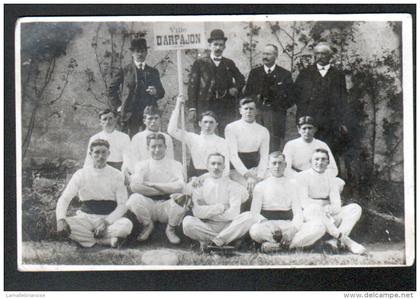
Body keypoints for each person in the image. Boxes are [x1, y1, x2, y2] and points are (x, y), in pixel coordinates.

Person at [56, 139, 133, 248]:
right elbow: (64, 199)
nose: (100, 156)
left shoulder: (117, 175)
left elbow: (122, 205)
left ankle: (90, 239)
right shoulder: (81, 174)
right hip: (86, 218)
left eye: (104, 152)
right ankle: (106, 241)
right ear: (91, 154)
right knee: (67, 226)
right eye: (97, 152)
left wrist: (106, 222)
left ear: (108, 154)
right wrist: (60, 219)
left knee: (126, 225)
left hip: (108, 217)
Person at [248, 152, 326, 253]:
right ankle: (288, 245)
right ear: (268, 165)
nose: (277, 166)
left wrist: (293, 230)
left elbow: (298, 212)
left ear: (285, 165)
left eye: (280, 163)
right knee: (254, 230)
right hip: (268, 226)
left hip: (288, 225)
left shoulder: (293, 184)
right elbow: (254, 213)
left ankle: (281, 246)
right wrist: (269, 225)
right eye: (274, 163)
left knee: (319, 227)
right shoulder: (260, 186)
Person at [296, 149, 366, 254]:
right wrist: (323, 206)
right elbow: (304, 203)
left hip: (327, 214)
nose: (319, 162)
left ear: (328, 162)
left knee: (355, 208)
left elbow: (337, 205)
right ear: (311, 161)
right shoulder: (302, 176)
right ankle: (346, 241)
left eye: (323, 159)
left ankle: (334, 241)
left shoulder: (331, 178)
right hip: (310, 215)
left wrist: (330, 208)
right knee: (314, 208)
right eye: (316, 159)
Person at [182, 153, 253, 251]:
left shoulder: (233, 186)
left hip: (229, 226)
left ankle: (211, 241)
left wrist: (207, 210)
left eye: (219, 164)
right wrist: (222, 207)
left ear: (224, 167)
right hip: (207, 226)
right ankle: (224, 241)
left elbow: (233, 214)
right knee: (187, 222)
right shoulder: (199, 186)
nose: (216, 167)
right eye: (213, 163)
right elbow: (197, 213)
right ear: (207, 166)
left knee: (249, 216)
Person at [126, 133, 187, 244]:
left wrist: (152, 184)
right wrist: (168, 187)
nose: (157, 150)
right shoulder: (141, 165)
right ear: (147, 148)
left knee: (182, 199)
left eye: (160, 146)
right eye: (153, 146)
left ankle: (170, 229)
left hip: (167, 205)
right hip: (148, 204)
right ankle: (148, 225)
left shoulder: (175, 164)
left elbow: (180, 186)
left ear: (165, 147)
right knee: (133, 199)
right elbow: (135, 186)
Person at [294, 41, 348, 159]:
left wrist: (342, 120)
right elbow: (297, 95)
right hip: (310, 119)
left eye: (323, 54)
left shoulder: (338, 75)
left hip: (331, 120)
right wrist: (303, 115)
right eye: (317, 54)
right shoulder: (305, 73)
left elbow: (343, 99)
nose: (320, 57)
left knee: (330, 151)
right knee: (308, 150)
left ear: (330, 56)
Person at [187, 29, 245, 136]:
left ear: (224, 47)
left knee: (226, 135)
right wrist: (192, 107)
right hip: (205, 106)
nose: (218, 48)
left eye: (221, 45)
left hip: (225, 107)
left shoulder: (229, 63)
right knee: (204, 135)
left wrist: (236, 88)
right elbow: (192, 86)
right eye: (215, 44)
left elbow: (241, 79)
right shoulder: (200, 63)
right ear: (210, 46)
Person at [108, 38, 165, 137]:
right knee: (129, 143)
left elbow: (161, 92)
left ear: (146, 53)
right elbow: (111, 89)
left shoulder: (153, 71)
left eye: (143, 51)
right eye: (137, 51)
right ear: (132, 53)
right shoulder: (125, 70)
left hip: (148, 115)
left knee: (148, 141)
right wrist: (118, 107)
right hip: (130, 115)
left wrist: (155, 91)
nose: (140, 54)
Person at [244, 44, 294, 151]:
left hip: (276, 114)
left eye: (268, 54)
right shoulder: (255, 73)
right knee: (256, 142)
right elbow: (248, 94)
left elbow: (291, 98)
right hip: (258, 113)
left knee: (273, 144)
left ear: (276, 55)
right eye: (264, 53)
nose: (265, 56)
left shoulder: (284, 74)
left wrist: (278, 106)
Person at [168, 94, 230, 178]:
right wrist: (178, 105)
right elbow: (172, 130)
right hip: (195, 177)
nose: (208, 125)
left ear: (216, 124)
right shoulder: (193, 138)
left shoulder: (222, 142)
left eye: (211, 122)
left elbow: (226, 169)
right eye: (205, 122)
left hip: (216, 176)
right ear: (200, 123)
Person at [225, 97, 270, 193]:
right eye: (245, 109)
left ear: (256, 111)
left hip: (256, 169)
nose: (248, 111)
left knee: (270, 185)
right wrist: (248, 175)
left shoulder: (263, 130)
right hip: (237, 170)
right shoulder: (231, 128)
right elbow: (233, 155)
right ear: (240, 110)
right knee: (251, 189)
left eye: (251, 109)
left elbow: (264, 156)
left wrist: (260, 176)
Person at [127, 105, 174, 175]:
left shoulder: (167, 138)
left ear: (160, 119)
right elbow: (133, 162)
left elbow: (170, 160)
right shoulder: (137, 138)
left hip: (162, 174)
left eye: (156, 118)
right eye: (150, 119)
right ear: (144, 121)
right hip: (143, 174)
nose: (153, 121)